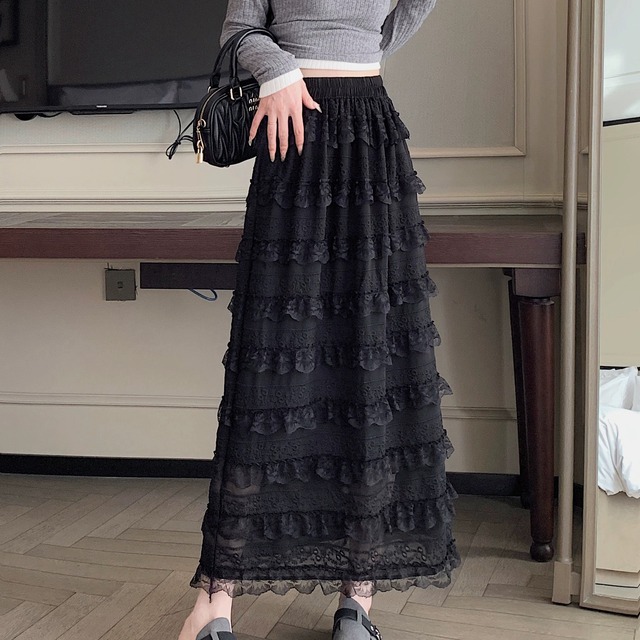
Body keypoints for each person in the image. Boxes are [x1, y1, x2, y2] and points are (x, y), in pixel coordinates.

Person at [179, 2, 460, 639]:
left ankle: (357, 600)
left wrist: (355, 59)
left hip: (370, 136)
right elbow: (239, 30)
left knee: (372, 358)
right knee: (269, 370)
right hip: (292, 132)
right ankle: (212, 605)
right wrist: (282, 71)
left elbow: (399, 18)